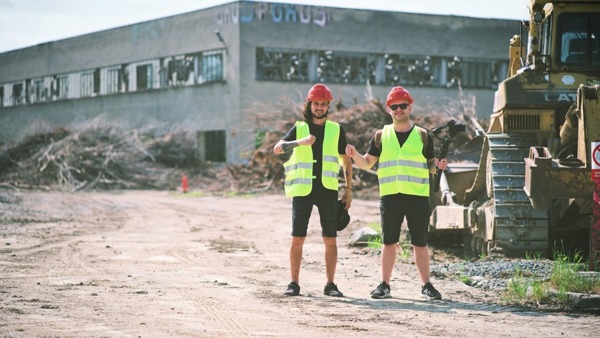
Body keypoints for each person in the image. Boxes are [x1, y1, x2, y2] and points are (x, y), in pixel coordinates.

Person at [345, 86, 447, 300]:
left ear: (410, 107)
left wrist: (439, 166)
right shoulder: (381, 135)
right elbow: (367, 163)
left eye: (402, 106)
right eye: (394, 106)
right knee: (388, 241)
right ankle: (384, 285)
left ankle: (426, 285)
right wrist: (354, 155)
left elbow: (430, 165)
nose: (399, 110)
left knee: (420, 243)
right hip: (390, 197)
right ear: (389, 109)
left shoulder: (423, 135)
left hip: (418, 197)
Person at [273, 83, 353, 297]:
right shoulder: (299, 128)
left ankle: (330, 284)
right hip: (303, 190)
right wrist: (300, 142)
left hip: (327, 190)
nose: (319, 107)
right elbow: (277, 149)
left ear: (328, 106)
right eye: (316, 103)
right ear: (310, 105)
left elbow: (346, 161)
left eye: (323, 104)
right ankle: (294, 283)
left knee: (330, 238)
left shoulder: (336, 130)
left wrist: (348, 189)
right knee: (298, 237)